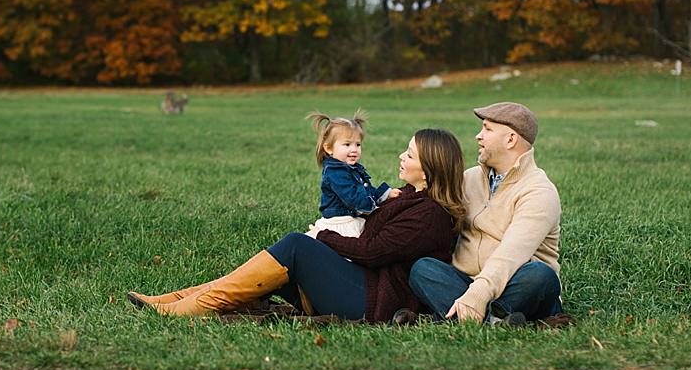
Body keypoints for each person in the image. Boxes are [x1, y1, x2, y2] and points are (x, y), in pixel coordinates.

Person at [128, 129, 466, 322]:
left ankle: (184, 308)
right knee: (285, 255)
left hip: (374, 300)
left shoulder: (430, 215)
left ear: (431, 167)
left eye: (409, 154)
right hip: (361, 283)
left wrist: (324, 236)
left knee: (297, 246)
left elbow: (371, 252)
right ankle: (177, 300)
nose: (400, 157)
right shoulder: (408, 196)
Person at [409, 102, 563, 325]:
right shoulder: (469, 179)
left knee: (540, 275)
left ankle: (463, 315)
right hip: (465, 283)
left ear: (510, 140)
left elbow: (511, 255)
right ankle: (495, 320)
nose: (478, 136)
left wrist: (479, 294)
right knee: (423, 268)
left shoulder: (539, 192)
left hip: (515, 284)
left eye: (487, 129)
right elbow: (428, 205)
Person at [305, 109, 400, 239]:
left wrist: (385, 194)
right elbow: (353, 198)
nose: (354, 150)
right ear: (329, 148)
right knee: (351, 248)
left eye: (358, 144)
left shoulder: (352, 168)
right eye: (347, 144)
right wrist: (376, 209)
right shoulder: (335, 172)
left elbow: (366, 190)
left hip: (352, 218)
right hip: (341, 223)